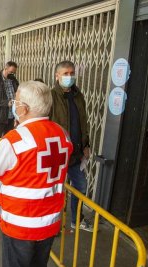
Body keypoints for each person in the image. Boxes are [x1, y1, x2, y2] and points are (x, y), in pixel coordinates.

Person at [0, 81, 73, 267]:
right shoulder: (63, 134)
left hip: (21, 225)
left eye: (15, 100)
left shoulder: (15, 140)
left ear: (23, 108)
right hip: (49, 223)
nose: (13, 104)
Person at [50, 60, 93, 232]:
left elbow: (83, 122)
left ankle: (77, 219)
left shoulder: (78, 95)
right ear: (57, 76)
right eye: (66, 73)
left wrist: (86, 145)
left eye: (72, 73)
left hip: (77, 154)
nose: (70, 76)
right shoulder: (51, 96)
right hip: (58, 154)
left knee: (80, 187)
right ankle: (54, 224)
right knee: (56, 191)